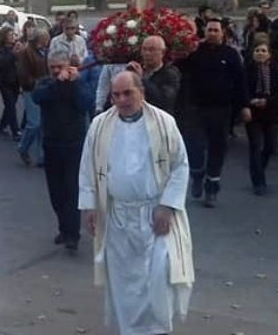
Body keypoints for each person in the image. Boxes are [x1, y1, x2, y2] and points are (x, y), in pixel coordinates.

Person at [79, 71, 194, 335]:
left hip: (155, 215)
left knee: (159, 277)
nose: (121, 100)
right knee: (124, 282)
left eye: (127, 93)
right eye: (115, 95)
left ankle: (157, 329)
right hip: (118, 216)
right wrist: (89, 207)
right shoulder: (99, 125)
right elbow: (87, 168)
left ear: (141, 90)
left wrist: (167, 206)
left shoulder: (164, 123)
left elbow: (180, 165)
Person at [178, 18, 250, 207]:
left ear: (223, 32)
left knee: (218, 149)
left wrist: (244, 106)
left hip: (221, 110)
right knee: (194, 147)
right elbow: (178, 67)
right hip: (196, 109)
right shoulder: (194, 53)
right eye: (209, 30)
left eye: (216, 30)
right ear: (204, 31)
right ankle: (197, 175)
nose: (212, 33)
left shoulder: (231, 55)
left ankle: (211, 189)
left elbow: (240, 82)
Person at [32, 48, 91, 253]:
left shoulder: (78, 83)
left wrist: (74, 83)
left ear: (69, 65)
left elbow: (85, 104)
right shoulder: (46, 83)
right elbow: (38, 97)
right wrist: (58, 82)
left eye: (60, 67)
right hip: (52, 143)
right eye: (53, 68)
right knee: (56, 192)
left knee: (71, 190)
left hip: (74, 144)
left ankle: (72, 234)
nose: (57, 71)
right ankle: (63, 227)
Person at [244, 41, 278, 195]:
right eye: (257, 50)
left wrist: (268, 101)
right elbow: (240, 90)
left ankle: (259, 167)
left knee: (269, 147)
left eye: (263, 50)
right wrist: (249, 102)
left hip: (271, 113)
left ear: (269, 54)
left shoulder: (275, 71)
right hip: (253, 113)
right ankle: (258, 181)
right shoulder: (247, 70)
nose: (260, 53)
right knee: (255, 146)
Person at [17, 28, 50, 166]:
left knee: (43, 124)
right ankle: (23, 147)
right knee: (34, 123)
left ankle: (42, 157)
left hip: (43, 88)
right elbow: (23, 74)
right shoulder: (26, 52)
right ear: (39, 39)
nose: (47, 42)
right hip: (31, 90)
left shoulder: (43, 51)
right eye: (45, 39)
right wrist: (36, 82)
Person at [127, 35, 181, 115]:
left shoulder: (171, 73)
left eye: (151, 50)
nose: (147, 53)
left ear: (162, 52)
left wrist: (141, 79)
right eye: (144, 49)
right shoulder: (136, 70)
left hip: (159, 119)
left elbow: (163, 101)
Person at [0, 27, 21, 140]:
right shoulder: (0, 49)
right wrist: (13, 55)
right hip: (4, 80)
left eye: (13, 34)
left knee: (11, 105)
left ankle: (2, 124)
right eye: (10, 34)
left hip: (16, 79)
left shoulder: (16, 46)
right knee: (10, 104)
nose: (12, 37)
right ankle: (15, 131)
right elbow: (1, 63)